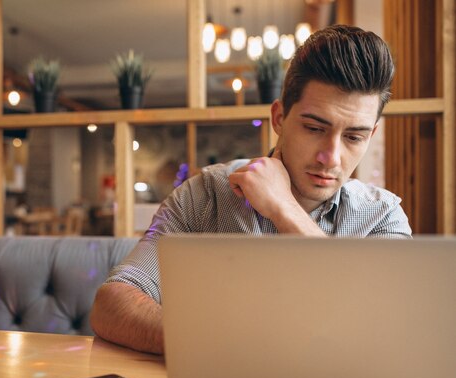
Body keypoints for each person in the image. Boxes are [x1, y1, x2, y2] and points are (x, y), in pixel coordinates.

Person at [90, 25, 413, 355]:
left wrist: (284, 210)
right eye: (315, 128)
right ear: (278, 118)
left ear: (370, 136)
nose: (330, 158)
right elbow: (112, 303)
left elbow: (383, 328)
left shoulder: (382, 217)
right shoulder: (205, 195)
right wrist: (221, 348)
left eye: (353, 137)